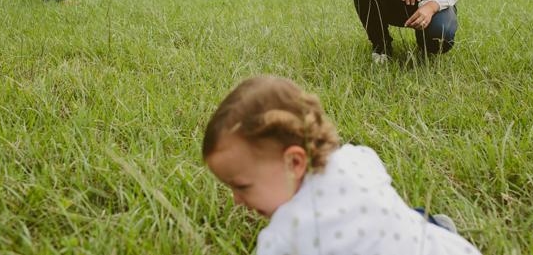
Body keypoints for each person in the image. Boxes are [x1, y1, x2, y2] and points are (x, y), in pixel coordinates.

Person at [203, 76, 482, 255]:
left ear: (295, 162)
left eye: (241, 186)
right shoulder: (356, 157)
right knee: (407, 215)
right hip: (442, 248)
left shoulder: (284, 237)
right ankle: (436, 224)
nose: (236, 201)